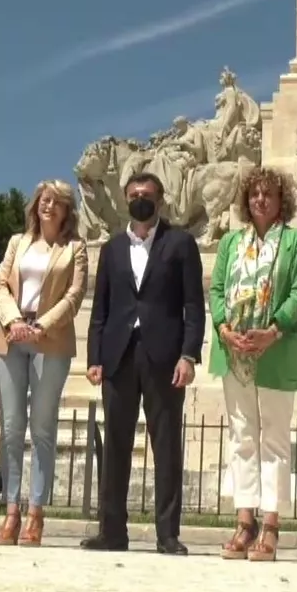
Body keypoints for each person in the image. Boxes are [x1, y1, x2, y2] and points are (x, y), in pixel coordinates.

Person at [81, 172, 205, 556]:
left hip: (164, 356)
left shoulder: (180, 243)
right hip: (119, 354)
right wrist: (94, 357)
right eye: (134, 195)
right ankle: (112, 530)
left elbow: (193, 306)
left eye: (147, 195)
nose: (140, 200)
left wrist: (189, 354)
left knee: (166, 445)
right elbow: (100, 308)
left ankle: (167, 534)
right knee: (115, 444)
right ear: (125, 199)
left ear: (160, 200)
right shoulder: (113, 248)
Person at [209, 166, 297, 562]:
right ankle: (244, 520)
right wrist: (222, 327)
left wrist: (275, 328)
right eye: (254, 193)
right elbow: (217, 288)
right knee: (242, 439)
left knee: (274, 440)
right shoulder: (231, 242)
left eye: (268, 193)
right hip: (234, 351)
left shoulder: (296, 241)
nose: (260, 200)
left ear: (281, 198)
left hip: (275, 349)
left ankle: (270, 525)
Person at [0, 179, 88, 547]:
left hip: (51, 339)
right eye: (45, 201)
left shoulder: (75, 248)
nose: (49, 207)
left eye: (57, 203)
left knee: (43, 427)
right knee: (12, 427)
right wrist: (15, 321)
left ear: (66, 211)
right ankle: (11, 509)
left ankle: (36, 511)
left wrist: (40, 326)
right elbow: (0, 284)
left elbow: (75, 295)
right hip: (11, 335)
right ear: (36, 205)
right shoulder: (18, 242)